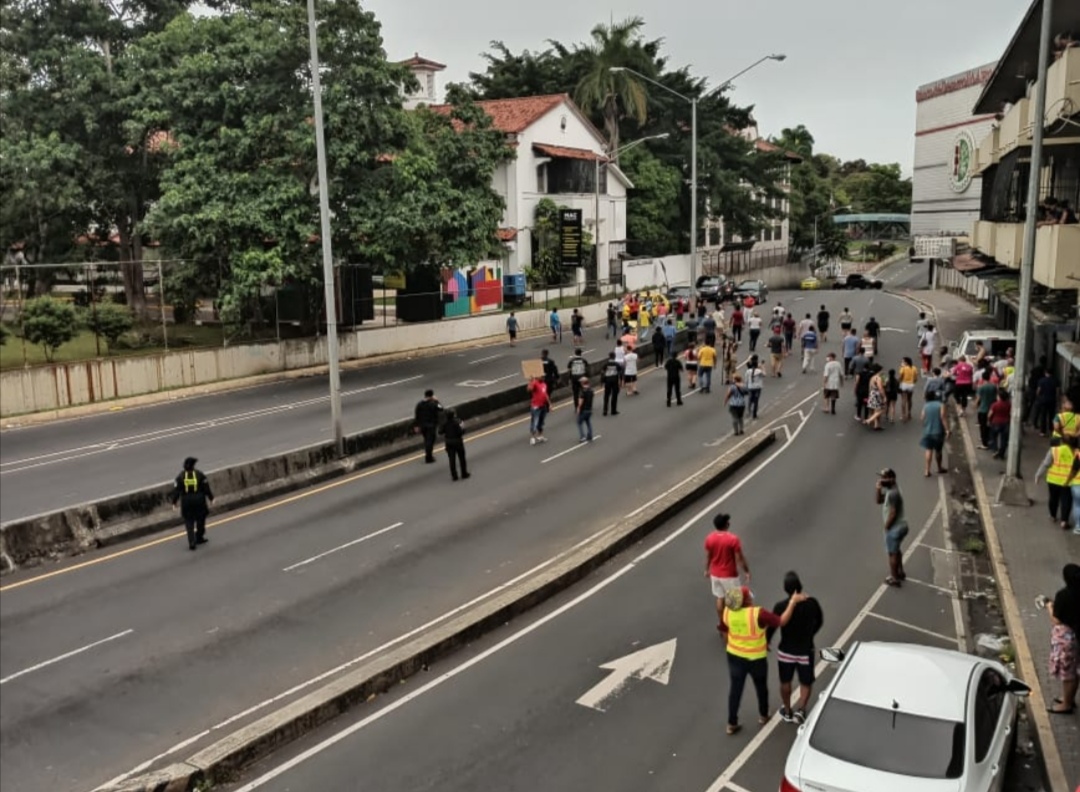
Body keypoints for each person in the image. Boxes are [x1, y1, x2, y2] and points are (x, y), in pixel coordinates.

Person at [720, 585, 809, 735]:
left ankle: (731, 723)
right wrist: (793, 602)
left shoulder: (728, 611)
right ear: (746, 600)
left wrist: (732, 646)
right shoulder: (757, 614)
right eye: (748, 595)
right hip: (756, 658)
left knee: (735, 690)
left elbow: (724, 631)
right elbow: (781, 621)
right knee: (761, 687)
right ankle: (763, 715)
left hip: (734, 657)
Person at [768, 572, 824, 724]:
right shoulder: (812, 603)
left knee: (785, 681)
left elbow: (773, 625)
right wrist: (811, 634)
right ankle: (801, 709)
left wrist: (766, 641)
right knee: (805, 681)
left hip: (786, 650)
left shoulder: (780, 606)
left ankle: (787, 710)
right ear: (800, 586)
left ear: (786, 589)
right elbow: (819, 620)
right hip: (805, 650)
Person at [1039, 564, 1080, 714]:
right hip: (1078, 636)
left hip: (1067, 639)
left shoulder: (1064, 595)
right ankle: (1069, 698)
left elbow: (1056, 620)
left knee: (1068, 673)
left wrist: (1049, 606)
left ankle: (1066, 705)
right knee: (1074, 670)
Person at [704, 513, 751, 626]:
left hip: (715, 574)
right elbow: (739, 558)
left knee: (720, 598)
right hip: (729, 575)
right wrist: (746, 571)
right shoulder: (733, 539)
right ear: (726, 525)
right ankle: (736, 623)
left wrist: (707, 569)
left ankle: (722, 622)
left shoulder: (709, 538)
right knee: (735, 601)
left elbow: (708, 556)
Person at [170, 456, 214, 551]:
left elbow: (176, 491)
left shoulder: (180, 477)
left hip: (186, 501)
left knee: (189, 522)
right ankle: (199, 536)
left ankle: (192, 542)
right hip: (199, 500)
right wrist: (211, 498)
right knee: (201, 519)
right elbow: (206, 488)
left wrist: (174, 502)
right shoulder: (199, 474)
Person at [876, 468, 909, 586]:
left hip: (895, 528)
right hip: (901, 526)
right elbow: (879, 501)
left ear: (892, 479)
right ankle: (900, 571)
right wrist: (878, 489)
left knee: (891, 553)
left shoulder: (893, 493)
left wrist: (887, 526)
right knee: (896, 550)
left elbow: (893, 512)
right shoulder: (891, 490)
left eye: (884, 478)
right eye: (881, 477)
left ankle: (894, 578)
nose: (882, 480)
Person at [1035, 436, 1076, 530]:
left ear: (1062, 441)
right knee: (1066, 500)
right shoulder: (1075, 453)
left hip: (1053, 480)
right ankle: (1064, 521)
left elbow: (1045, 464)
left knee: (1053, 499)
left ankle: (1053, 516)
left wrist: (1038, 475)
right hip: (1067, 482)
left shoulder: (1054, 450)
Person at [920, 391, 950, 476]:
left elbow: (922, 418)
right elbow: (943, 417)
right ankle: (939, 467)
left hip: (928, 431)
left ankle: (927, 470)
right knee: (938, 450)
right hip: (938, 431)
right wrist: (947, 430)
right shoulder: (940, 405)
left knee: (929, 450)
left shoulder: (925, 406)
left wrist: (925, 426)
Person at [438, 409, 469, 481]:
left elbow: (440, 432)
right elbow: (461, 432)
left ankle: (454, 475)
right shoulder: (456, 422)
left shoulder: (445, 423)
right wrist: (463, 428)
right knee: (461, 458)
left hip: (449, 443)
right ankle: (464, 473)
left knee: (452, 460)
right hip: (457, 442)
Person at [413, 389, 443, 463]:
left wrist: (416, 426)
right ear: (432, 396)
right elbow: (441, 408)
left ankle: (428, 455)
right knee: (430, 441)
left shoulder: (419, 404)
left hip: (422, 425)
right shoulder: (433, 404)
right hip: (431, 425)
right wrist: (437, 401)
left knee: (427, 440)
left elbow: (417, 416)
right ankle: (428, 457)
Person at [988, 389, 1011, 459]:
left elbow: (990, 414)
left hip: (996, 422)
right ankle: (1001, 453)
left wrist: (988, 420)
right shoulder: (1008, 404)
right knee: (1004, 439)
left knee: (993, 437)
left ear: (999, 397)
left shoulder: (995, 404)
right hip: (1006, 423)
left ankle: (995, 450)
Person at [527, 375, 551, 445]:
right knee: (534, 422)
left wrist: (549, 404)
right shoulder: (535, 383)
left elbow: (545, 394)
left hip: (543, 406)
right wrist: (530, 382)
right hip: (535, 407)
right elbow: (529, 389)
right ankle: (532, 437)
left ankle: (540, 435)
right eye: (542, 377)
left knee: (541, 422)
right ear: (538, 377)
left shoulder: (544, 384)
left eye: (544, 376)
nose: (543, 378)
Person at [898, 357, 919, 422]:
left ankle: (903, 415)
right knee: (909, 399)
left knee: (903, 400)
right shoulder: (914, 368)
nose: (902, 363)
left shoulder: (903, 368)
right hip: (911, 385)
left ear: (906, 362)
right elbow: (916, 378)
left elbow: (900, 376)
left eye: (903, 361)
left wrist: (899, 382)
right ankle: (909, 413)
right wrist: (913, 382)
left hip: (904, 384)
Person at [601, 352, 622, 416]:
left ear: (609, 357)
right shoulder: (616, 364)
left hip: (607, 380)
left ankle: (605, 410)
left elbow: (602, 373)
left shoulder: (606, 364)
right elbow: (620, 373)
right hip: (614, 380)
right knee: (614, 395)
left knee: (606, 396)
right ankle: (613, 410)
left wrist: (602, 382)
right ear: (614, 357)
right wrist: (620, 381)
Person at [746, 355, 766, 419]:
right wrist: (763, 367)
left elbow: (746, 380)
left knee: (750, 399)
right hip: (757, 387)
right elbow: (764, 374)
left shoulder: (748, 371)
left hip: (750, 387)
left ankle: (748, 411)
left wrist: (747, 385)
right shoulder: (759, 371)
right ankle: (754, 414)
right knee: (756, 400)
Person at [576, 377, 594, 442]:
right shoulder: (591, 390)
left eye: (581, 382)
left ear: (582, 383)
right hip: (589, 409)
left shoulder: (582, 391)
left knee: (579, 422)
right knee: (588, 422)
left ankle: (582, 436)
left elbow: (581, 401)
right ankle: (590, 435)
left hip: (583, 410)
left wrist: (578, 408)